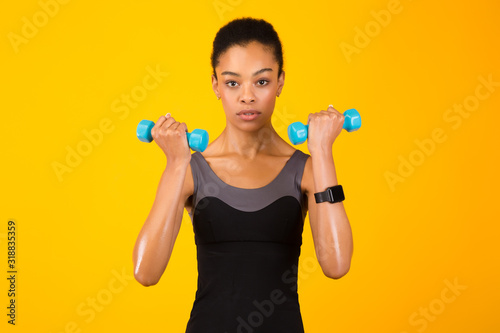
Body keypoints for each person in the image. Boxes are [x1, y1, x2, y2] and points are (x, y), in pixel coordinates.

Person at [132, 17, 353, 333]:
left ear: (280, 82)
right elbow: (146, 273)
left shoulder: (306, 170)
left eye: (261, 81)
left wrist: (323, 152)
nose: (247, 96)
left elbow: (337, 264)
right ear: (216, 86)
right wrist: (176, 163)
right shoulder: (193, 169)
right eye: (233, 82)